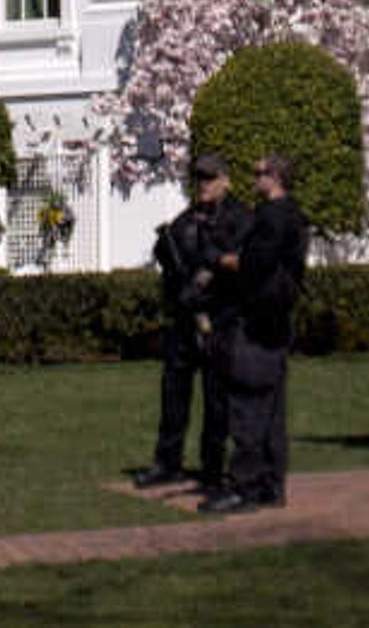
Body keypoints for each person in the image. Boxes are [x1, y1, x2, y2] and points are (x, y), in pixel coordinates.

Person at [200, 153, 308, 515]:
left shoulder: (272, 218)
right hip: (279, 321)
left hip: (258, 322)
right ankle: (271, 485)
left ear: (275, 177)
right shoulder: (295, 215)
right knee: (273, 408)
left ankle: (244, 487)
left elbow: (253, 263)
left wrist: (219, 260)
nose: (253, 178)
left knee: (246, 404)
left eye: (259, 173)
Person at [134, 156, 237, 490]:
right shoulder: (185, 219)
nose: (204, 184)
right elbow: (170, 261)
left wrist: (207, 285)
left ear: (225, 180)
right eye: (200, 179)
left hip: (218, 318)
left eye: (210, 178)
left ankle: (212, 469)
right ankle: (167, 462)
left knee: (216, 398)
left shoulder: (238, 218)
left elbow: (239, 263)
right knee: (173, 392)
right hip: (184, 319)